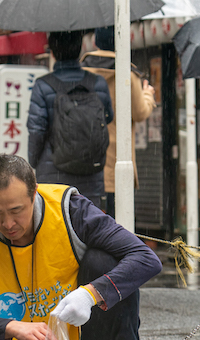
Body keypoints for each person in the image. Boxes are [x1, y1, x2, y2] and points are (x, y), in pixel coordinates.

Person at [0, 154, 162, 340]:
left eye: (17, 210)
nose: (8, 223)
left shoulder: (71, 210)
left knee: (106, 260)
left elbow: (145, 259)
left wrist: (90, 294)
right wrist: (11, 327)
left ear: (34, 193)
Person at [27, 31, 114, 209]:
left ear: (52, 52)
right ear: (81, 49)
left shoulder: (43, 85)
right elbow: (108, 118)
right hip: (91, 171)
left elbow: (37, 131)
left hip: (53, 175)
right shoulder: (98, 83)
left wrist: (34, 162)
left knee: (55, 227)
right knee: (89, 226)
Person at [81, 26, 156, 218]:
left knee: (86, 222)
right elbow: (140, 113)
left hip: (84, 160)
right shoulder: (126, 73)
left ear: (96, 42)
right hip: (117, 161)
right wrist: (148, 95)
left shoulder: (82, 72)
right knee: (117, 226)